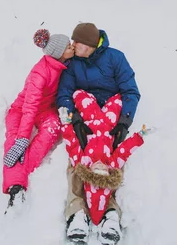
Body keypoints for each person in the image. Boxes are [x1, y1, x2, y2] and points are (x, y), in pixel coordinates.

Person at [57, 23, 141, 243]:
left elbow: (130, 90)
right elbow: (64, 92)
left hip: (111, 117)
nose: (73, 45)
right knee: (77, 160)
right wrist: (74, 119)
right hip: (85, 115)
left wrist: (124, 121)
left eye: (78, 42)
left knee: (109, 163)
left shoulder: (115, 58)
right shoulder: (73, 63)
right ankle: (77, 212)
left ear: (91, 45)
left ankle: (110, 214)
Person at [60, 90, 148, 244]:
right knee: (117, 102)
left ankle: (80, 214)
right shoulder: (111, 163)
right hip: (108, 123)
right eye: (103, 169)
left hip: (90, 121)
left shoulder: (85, 161)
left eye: (96, 169)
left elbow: (73, 146)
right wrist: (139, 136)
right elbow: (124, 151)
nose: (100, 165)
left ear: (90, 171)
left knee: (74, 172)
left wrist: (67, 124)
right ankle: (110, 217)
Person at [2, 29, 74, 211]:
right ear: (58, 53)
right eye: (68, 46)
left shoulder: (66, 63)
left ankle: (22, 169)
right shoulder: (40, 73)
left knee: (53, 127)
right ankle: (15, 187)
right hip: (21, 110)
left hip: (45, 110)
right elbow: (29, 107)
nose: (71, 47)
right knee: (15, 141)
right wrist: (23, 138)